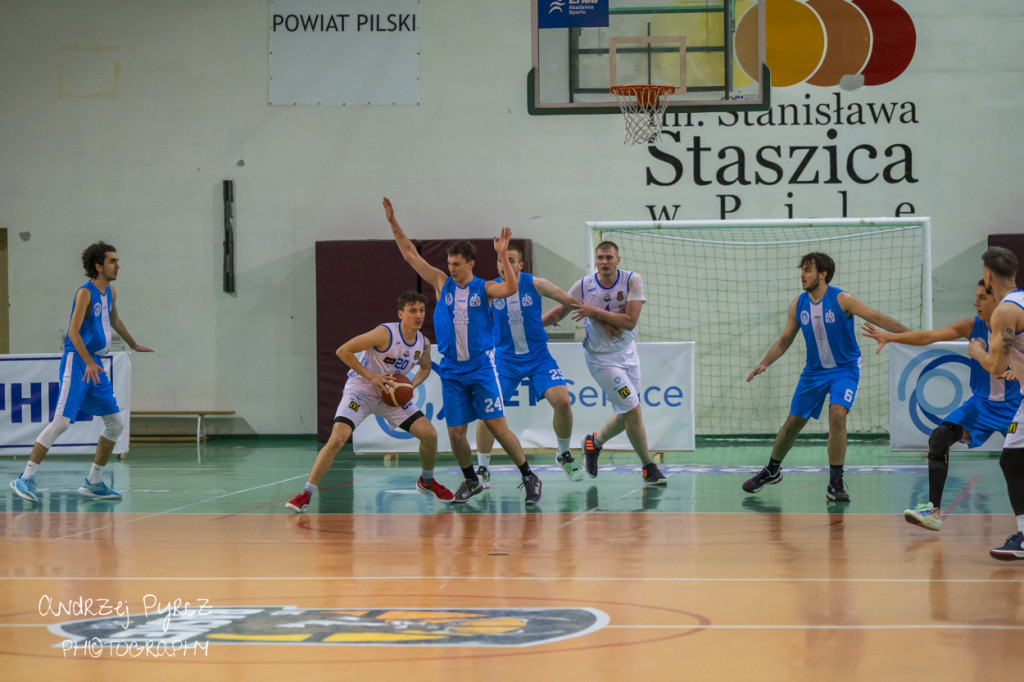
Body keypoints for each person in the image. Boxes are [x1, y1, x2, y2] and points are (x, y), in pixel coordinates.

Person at [383, 197, 542, 505]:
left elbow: (510, 288)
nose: (451, 268)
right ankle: (471, 479)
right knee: (456, 433)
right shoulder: (443, 283)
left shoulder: (483, 288)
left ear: (470, 264)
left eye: (457, 264)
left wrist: (502, 257)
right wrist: (393, 222)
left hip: (481, 367)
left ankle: (528, 476)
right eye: (449, 264)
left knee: (496, 426)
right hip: (453, 371)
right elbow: (409, 254)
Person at [744, 252, 908, 502]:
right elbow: (786, 338)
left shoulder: (842, 299)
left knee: (837, 414)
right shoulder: (798, 304)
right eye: (802, 270)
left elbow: (877, 317)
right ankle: (772, 469)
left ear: (823, 274)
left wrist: (914, 335)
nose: (802, 275)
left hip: (845, 368)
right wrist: (764, 363)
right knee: (792, 424)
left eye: (808, 270)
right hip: (814, 372)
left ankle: (835, 482)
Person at [863, 280, 1022, 531]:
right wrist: (890, 337)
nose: (975, 302)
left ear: (997, 300)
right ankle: (933, 510)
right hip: (981, 407)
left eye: (981, 297)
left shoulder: (1016, 323)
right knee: (939, 437)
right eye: (975, 296)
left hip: (1017, 407)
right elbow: (930, 336)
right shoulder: (971, 326)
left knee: (1014, 462)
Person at [10, 242, 153, 503]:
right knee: (61, 422)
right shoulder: (84, 293)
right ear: (98, 266)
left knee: (115, 423)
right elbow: (73, 333)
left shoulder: (110, 292)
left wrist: (133, 344)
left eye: (117, 260)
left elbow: (115, 320)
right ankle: (25, 478)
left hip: (93, 364)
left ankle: (93, 483)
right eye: (112, 261)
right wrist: (87, 361)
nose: (118, 265)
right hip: (78, 362)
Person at [285, 291, 453, 513]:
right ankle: (305, 494)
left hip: (389, 397)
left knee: (430, 435)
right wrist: (371, 376)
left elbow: (425, 367)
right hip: (361, 392)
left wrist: (411, 386)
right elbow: (343, 350)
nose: (419, 315)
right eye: (413, 311)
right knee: (337, 439)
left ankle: (427, 481)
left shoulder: (422, 343)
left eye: (421, 310)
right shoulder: (384, 334)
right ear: (401, 313)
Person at [543, 241, 668, 486]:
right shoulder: (584, 285)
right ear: (596, 259)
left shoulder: (632, 280)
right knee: (633, 410)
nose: (605, 261)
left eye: (609, 257)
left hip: (628, 353)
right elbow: (560, 312)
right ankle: (648, 467)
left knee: (628, 413)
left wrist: (595, 312)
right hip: (602, 360)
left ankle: (594, 443)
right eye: (601, 257)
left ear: (618, 260)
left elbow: (630, 322)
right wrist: (532, 327)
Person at [473, 244, 583, 486]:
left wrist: (591, 312)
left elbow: (567, 300)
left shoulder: (535, 284)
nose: (504, 265)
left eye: (510, 260)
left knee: (563, 401)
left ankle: (563, 454)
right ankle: (482, 468)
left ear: (520, 266)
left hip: (538, 357)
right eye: (500, 260)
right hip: (504, 360)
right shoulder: (490, 289)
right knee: (487, 411)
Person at [965, 247, 1024, 560]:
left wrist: (977, 353)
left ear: (988, 276)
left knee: (1013, 460)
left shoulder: (1004, 311)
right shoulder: (1022, 300)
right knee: (1012, 459)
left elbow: (996, 368)